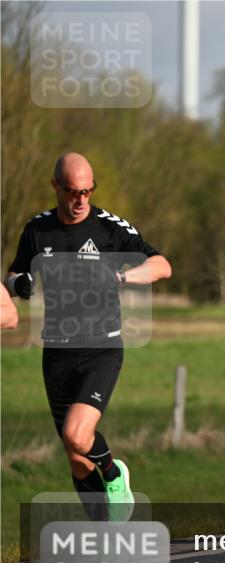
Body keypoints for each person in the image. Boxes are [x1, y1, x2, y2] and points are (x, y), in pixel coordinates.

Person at [6, 152, 172, 521]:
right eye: (73, 192)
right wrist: (21, 283)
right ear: (56, 187)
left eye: (88, 191)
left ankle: (115, 474)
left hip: (101, 347)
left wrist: (122, 277)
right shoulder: (37, 230)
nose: (81, 199)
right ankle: (106, 530)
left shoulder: (109, 228)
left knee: (78, 435)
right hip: (56, 351)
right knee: (76, 456)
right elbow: (11, 278)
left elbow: (162, 266)